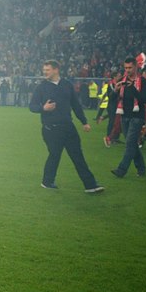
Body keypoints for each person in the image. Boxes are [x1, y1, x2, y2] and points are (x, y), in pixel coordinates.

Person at [28, 60, 104, 193]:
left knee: (78, 156)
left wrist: (84, 122)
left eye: (47, 70)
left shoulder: (67, 85)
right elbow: (32, 106)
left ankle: (90, 185)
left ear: (56, 70)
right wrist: (43, 108)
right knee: (55, 155)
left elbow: (75, 105)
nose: (45, 72)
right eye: (44, 70)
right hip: (51, 129)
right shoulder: (41, 87)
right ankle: (47, 181)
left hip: (68, 127)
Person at [109, 56, 146, 178]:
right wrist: (115, 90)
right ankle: (141, 168)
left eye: (130, 68)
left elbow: (144, 99)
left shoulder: (143, 81)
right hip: (124, 116)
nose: (127, 70)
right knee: (132, 144)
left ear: (136, 67)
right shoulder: (122, 80)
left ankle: (121, 169)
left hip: (137, 116)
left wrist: (132, 88)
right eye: (126, 68)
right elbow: (111, 99)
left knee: (130, 143)